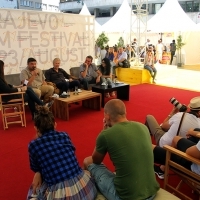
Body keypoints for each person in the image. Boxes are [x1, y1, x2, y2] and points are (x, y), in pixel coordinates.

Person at [83, 99, 159, 200]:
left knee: (87, 161)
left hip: (126, 196)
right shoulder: (143, 127)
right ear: (125, 113)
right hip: (152, 191)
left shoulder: (106, 135)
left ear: (107, 116)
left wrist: (103, 131)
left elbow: (96, 161)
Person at [27, 106, 97, 200]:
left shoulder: (33, 145)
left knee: (33, 190)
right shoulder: (65, 135)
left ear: (36, 128)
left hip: (60, 194)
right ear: (55, 125)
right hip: (85, 189)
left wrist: (38, 173)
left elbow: (35, 167)